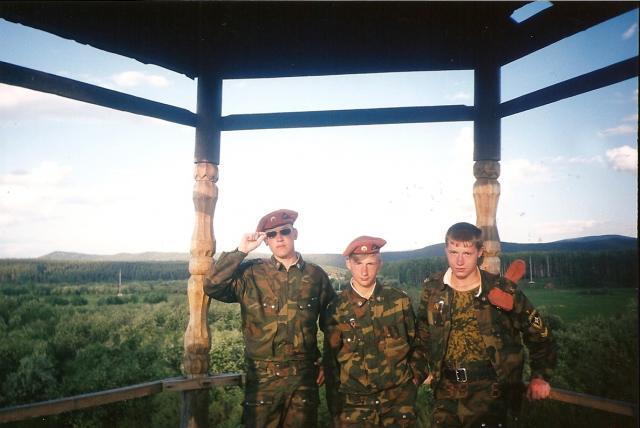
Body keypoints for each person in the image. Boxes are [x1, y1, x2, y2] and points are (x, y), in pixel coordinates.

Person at [413, 222, 557, 428]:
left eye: (467, 253)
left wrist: (540, 376)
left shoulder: (501, 290)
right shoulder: (433, 289)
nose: (459, 261)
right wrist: (415, 375)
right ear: (446, 250)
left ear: (480, 252)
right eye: (453, 252)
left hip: (492, 397)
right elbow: (422, 336)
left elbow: (540, 335)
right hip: (446, 394)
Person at [204, 209, 336, 428]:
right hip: (262, 381)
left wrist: (327, 361)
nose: (279, 238)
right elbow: (212, 286)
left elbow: (333, 323)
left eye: (285, 231)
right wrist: (241, 251)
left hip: (303, 380)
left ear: (295, 233)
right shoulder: (251, 274)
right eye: (272, 234)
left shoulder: (315, 276)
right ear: (266, 241)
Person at [324, 236, 418, 427]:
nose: (364, 271)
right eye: (358, 263)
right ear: (348, 264)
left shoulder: (399, 301)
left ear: (380, 264)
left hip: (398, 404)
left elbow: (417, 343)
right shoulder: (336, 308)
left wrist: (414, 380)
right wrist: (335, 410)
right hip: (355, 407)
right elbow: (331, 363)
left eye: (370, 263)